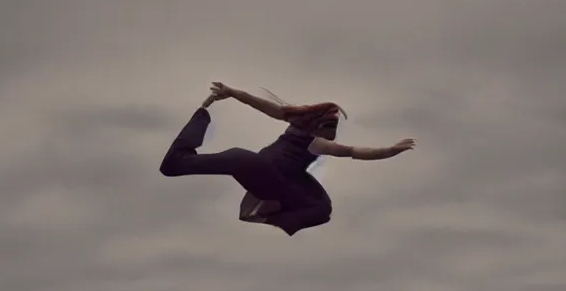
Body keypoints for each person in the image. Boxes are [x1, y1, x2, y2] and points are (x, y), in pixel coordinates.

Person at [159, 82, 416, 236]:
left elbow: (354, 152)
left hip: (271, 177)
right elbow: (354, 152)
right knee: (320, 207)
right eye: (331, 129)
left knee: (321, 206)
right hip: (263, 172)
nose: (332, 135)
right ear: (320, 126)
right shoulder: (314, 140)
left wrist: (234, 93)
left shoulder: (305, 134)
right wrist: (234, 93)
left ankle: (271, 210)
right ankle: (270, 210)